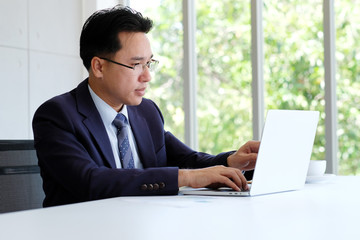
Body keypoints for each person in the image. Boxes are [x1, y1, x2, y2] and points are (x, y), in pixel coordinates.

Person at [32, 5, 260, 207]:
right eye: (137, 65)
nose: (148, 76)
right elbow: (92, 181)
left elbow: (188, 160)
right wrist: (187, 178)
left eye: (149, 63)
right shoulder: (57, 115)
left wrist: (231, 161)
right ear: (99, 67)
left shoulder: (146, 111)